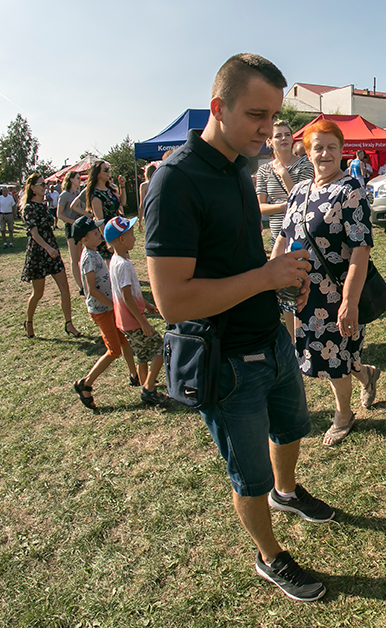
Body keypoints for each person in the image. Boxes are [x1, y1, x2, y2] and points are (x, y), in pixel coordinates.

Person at [145, 54, 333, 602]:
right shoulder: (176, 181)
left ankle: (288, 491)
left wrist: (279, 283)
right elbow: (171, 300)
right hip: (225, 360)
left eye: (274, 117)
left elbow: (233, 258)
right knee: (247, 475)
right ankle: (270, 556)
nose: (269, 130)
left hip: (271, 339)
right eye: (256, 114)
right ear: (217, 108)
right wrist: (263, 276)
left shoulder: (237, 167)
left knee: (291, 426)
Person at [274, 119, 381, 447]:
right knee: (323, 355)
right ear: (306, 152)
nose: (325, 153)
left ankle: (343, 415)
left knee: (334, 361)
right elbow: (282, 237)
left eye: (332, 147)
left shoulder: (350, 191)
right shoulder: (299, 191)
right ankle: (366, 374)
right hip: (299, 294)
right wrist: (269, 278)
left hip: (335, 295)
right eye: (317, 147)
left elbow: (360, 250)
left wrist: (349, 301)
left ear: (341, 150)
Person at [71, 216, 141, 409]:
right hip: (102, 311)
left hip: (110, 308)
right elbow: (91, 289)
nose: (98, 234)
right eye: (94, 233)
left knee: (124, 339)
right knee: (114, 350)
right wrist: (112, 303)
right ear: (84, 240)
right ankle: (85, 383)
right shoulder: (87, 258)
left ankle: (134, 375)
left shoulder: (95, 253)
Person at [105, 216, 170, 405]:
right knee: (161, 348)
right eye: (132, 235)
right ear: (122, 239)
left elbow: (131, 293)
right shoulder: (124, 265)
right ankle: (148, 388)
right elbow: (126, 296)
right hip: (133, 321)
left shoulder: (115, 260)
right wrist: (143, 322)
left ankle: (145, 384)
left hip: (123, 321)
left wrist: (147, 305)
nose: (135, 238)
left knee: (142, 355)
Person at [20, 173, 80, 338]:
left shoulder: (44, 205)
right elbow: (34, 233)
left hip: (52, 250)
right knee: (38, 293)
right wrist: (48, 248)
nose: (44, 187)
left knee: (65, 288)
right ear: (33, 188)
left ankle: (69, 324)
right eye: (41, 185)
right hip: (38, 253)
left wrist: (52, 248)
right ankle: (29, 322)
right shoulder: (29, 208)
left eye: (45, 184)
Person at [256, 119, 315, 247]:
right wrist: (285, 206)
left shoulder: (305, 165)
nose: (284, 138)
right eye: (278, 136)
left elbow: (301, 199)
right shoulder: (264, 170)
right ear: (269, 141)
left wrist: (283, 173)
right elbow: (261, 207)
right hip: (276, 236)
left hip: (300, 234)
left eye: (287, 134)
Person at [82, 160, 124, 259]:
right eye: (105, 170)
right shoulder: (96, 195)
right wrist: (107, 241)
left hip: (118, 229)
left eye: (108, 169)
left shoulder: (110, 189)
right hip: (108, 233)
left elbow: (122, 202)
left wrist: (122, 186)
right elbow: (99, 219)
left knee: (124, 262)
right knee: (112, 267)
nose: (108, 172)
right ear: (98, 174)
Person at [57, 172, 84, 288]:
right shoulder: (64, 195)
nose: (80, 180)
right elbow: (59, 214)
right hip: (71, 227)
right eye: (77, 178)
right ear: (71, 180)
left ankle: (85, 282)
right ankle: (80, 286)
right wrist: (73, 222)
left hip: (82, 227)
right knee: (75, 258)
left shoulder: (79, 194)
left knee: (82, 256)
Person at [137, 164, 156, 232]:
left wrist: (139, 221)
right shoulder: (157, 183)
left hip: (149, 212)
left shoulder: (144, 186)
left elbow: (142, 205)